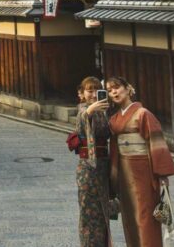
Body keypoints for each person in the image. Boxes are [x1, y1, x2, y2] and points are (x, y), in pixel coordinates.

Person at [107, 76, 174, 247]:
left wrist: (161, 174)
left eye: (116, 87)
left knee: (145, 219)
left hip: (144, 173)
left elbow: (156, 142)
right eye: (109, 90)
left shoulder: (143, 114)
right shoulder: (114, 119)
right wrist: (113, 178)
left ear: (127, 88)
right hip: (125, 173)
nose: (113, 92)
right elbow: (114, 149)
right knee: (130, 218)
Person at [71, 76, 112, 247]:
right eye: (89, 90)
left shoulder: (104, 112)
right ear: (81, 94)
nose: (94, 94)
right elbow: (80, 125)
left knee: (103, 211)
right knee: (89, 211)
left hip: (103, 166)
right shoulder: (83, 109)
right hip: (88, 167)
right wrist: (90, 111)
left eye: (97, 90)